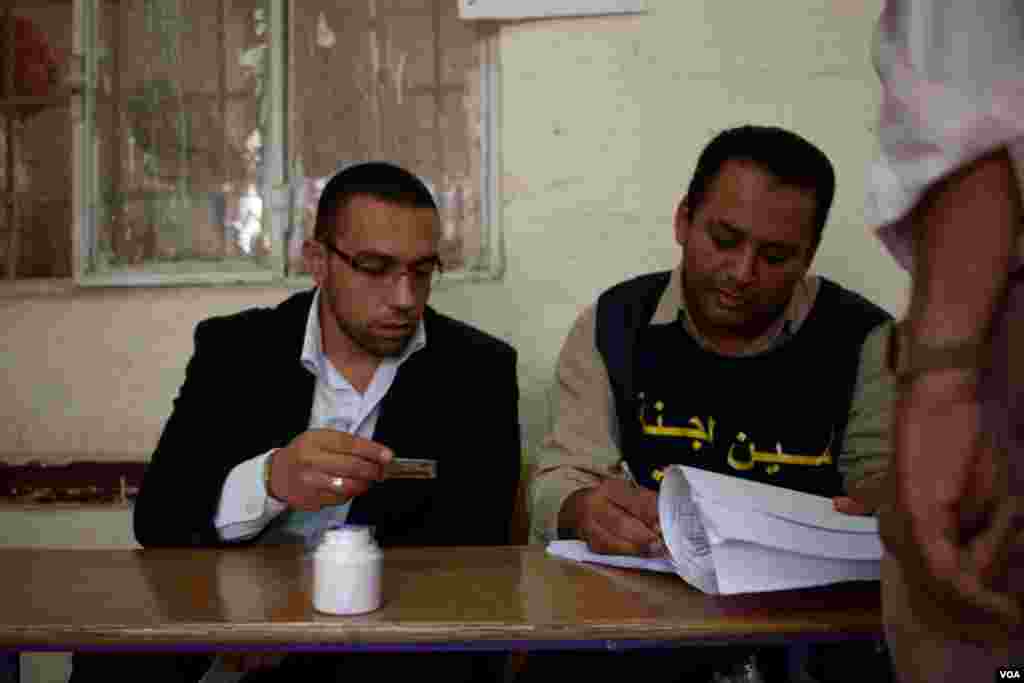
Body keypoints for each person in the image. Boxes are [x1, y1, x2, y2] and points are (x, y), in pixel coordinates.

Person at [70, 161, 521, 682]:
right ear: (318, 260)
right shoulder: (236, 350)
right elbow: (161, 519)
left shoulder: (477, 370)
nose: (404, 298)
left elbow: (474, 554)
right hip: (223, 614)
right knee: (113, 658)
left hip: (380, 637)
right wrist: (269, 480)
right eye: (375, 268)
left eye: (421, 272)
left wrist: (298, 620)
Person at [528, 125, 895, 682]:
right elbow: (558, 476)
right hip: (642, 635)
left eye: (775, 255)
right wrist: (582, 507)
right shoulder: (615, 323)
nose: (742, 273)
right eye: (724, 240)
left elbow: (879, 494)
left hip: (806, 641)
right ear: (683, 221)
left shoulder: (867, 341)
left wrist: (889, 505)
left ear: (809, 255)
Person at [855, 2, 1024, 680]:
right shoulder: (618, 323)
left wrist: (943, 373)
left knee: (968, 618)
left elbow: (968, 111)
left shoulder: (842, 328)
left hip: (994, 308)